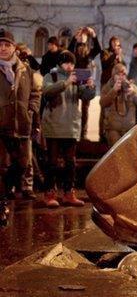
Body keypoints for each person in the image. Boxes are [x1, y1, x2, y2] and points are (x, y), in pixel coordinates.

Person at [41, 50, 95, 207]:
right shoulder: (50, 76)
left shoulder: (77, 79)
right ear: (60, 63)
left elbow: (86, 96)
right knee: (52, 162)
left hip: (71, 126)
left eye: (72, 63)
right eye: (67, 63)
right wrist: (67, 82)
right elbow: (47, 92)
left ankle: (68, 193)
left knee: (70, 163)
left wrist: (90, 88)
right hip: (53, 125)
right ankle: (49, 193)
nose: (70, 66)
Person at [0, 29, 42, 202]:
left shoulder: (26, 70)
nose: (2, 48)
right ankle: (2, 203)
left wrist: (31, 109)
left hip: (22, 125)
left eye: (6, 45)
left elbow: (35, 92)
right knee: (1, 167)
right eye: (0, 45)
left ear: (14, 47)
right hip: (1, 125)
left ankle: (6, 191)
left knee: (23, 164)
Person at [68, 27, 101, 140]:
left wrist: (94, 35)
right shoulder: (73, 51)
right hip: (75, 80)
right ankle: (73, 132)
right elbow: (68, 51)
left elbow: (98, 49)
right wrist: (74, 38)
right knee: (73, 106)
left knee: (85, 108)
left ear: (87, 38)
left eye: (84, 35)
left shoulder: (89, 51)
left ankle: (84, 133)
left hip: (86, 80)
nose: (82, 37)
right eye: (80, 35)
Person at [100, 64, 137, 147]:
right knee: (116, 152)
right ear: (113, 76)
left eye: (123, 75)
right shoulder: (107, 87)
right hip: (113, 129)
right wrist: (113, 91)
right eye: (118, 75)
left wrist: (133, 93)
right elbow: (102, 103)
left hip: (129, 129)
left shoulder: (131, 87)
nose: (121, 77)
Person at [99, 36, 124, 141]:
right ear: (110, 43)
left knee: (116, 107)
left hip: (117, 83)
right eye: (113, 43)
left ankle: (115, 131)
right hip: (106, 83)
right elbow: (105, 64)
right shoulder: (105, 52)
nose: (115, 45)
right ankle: (102, 133)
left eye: (117, 43)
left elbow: (122, 68)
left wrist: (120, 58)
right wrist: (115, 55)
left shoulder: (119, 56)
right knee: (104, 107)